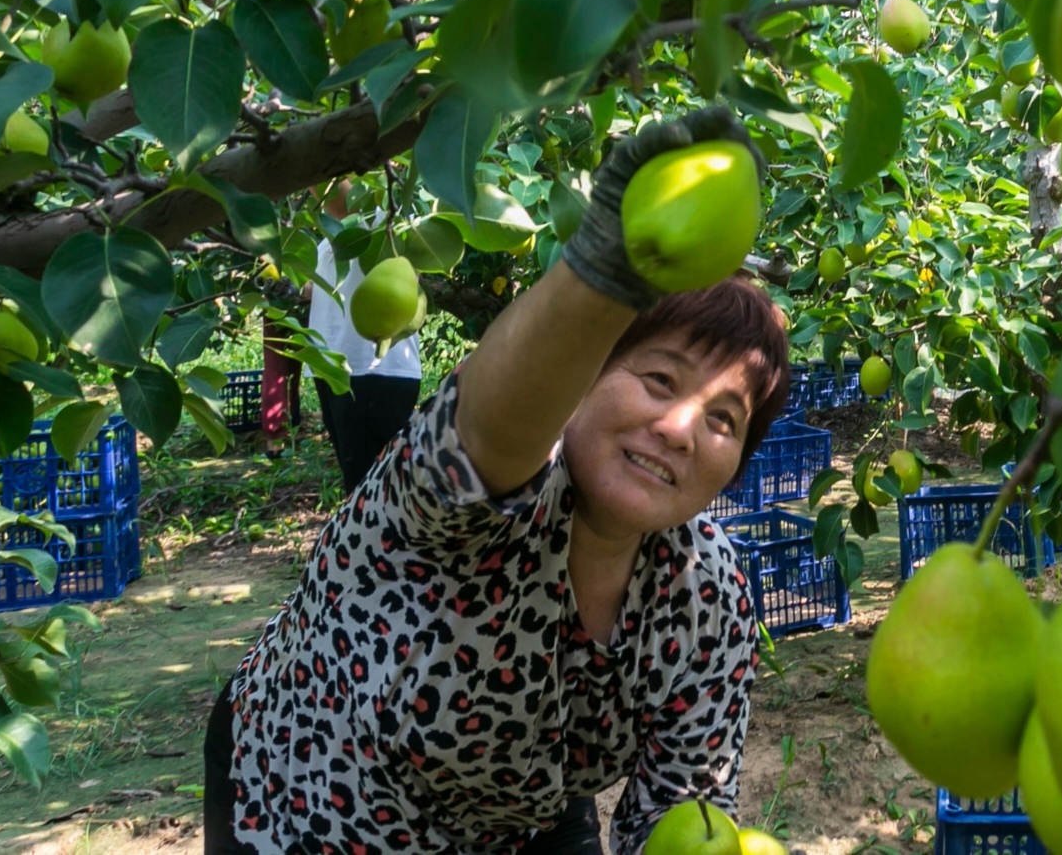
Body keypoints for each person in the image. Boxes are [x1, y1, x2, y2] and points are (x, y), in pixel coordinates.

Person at [204, 109, 790, 854]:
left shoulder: (706, 595)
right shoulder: (463, 498)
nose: (679, 427)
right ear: (584, 372)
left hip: (518, 811)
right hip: (316, 785)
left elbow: (684, 812)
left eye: (724, 420)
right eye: (657, 378)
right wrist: (603, 267)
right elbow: (487, 430)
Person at [306, 179, 423, 488]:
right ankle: (371, 534)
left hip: (374, 372)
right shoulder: (332, 242)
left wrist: (300, 161)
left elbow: (337, 197)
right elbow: (317, 288)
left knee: (376, 487)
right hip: (334, 370)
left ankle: (381, 537)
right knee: (357, 480)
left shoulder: (380, 223)